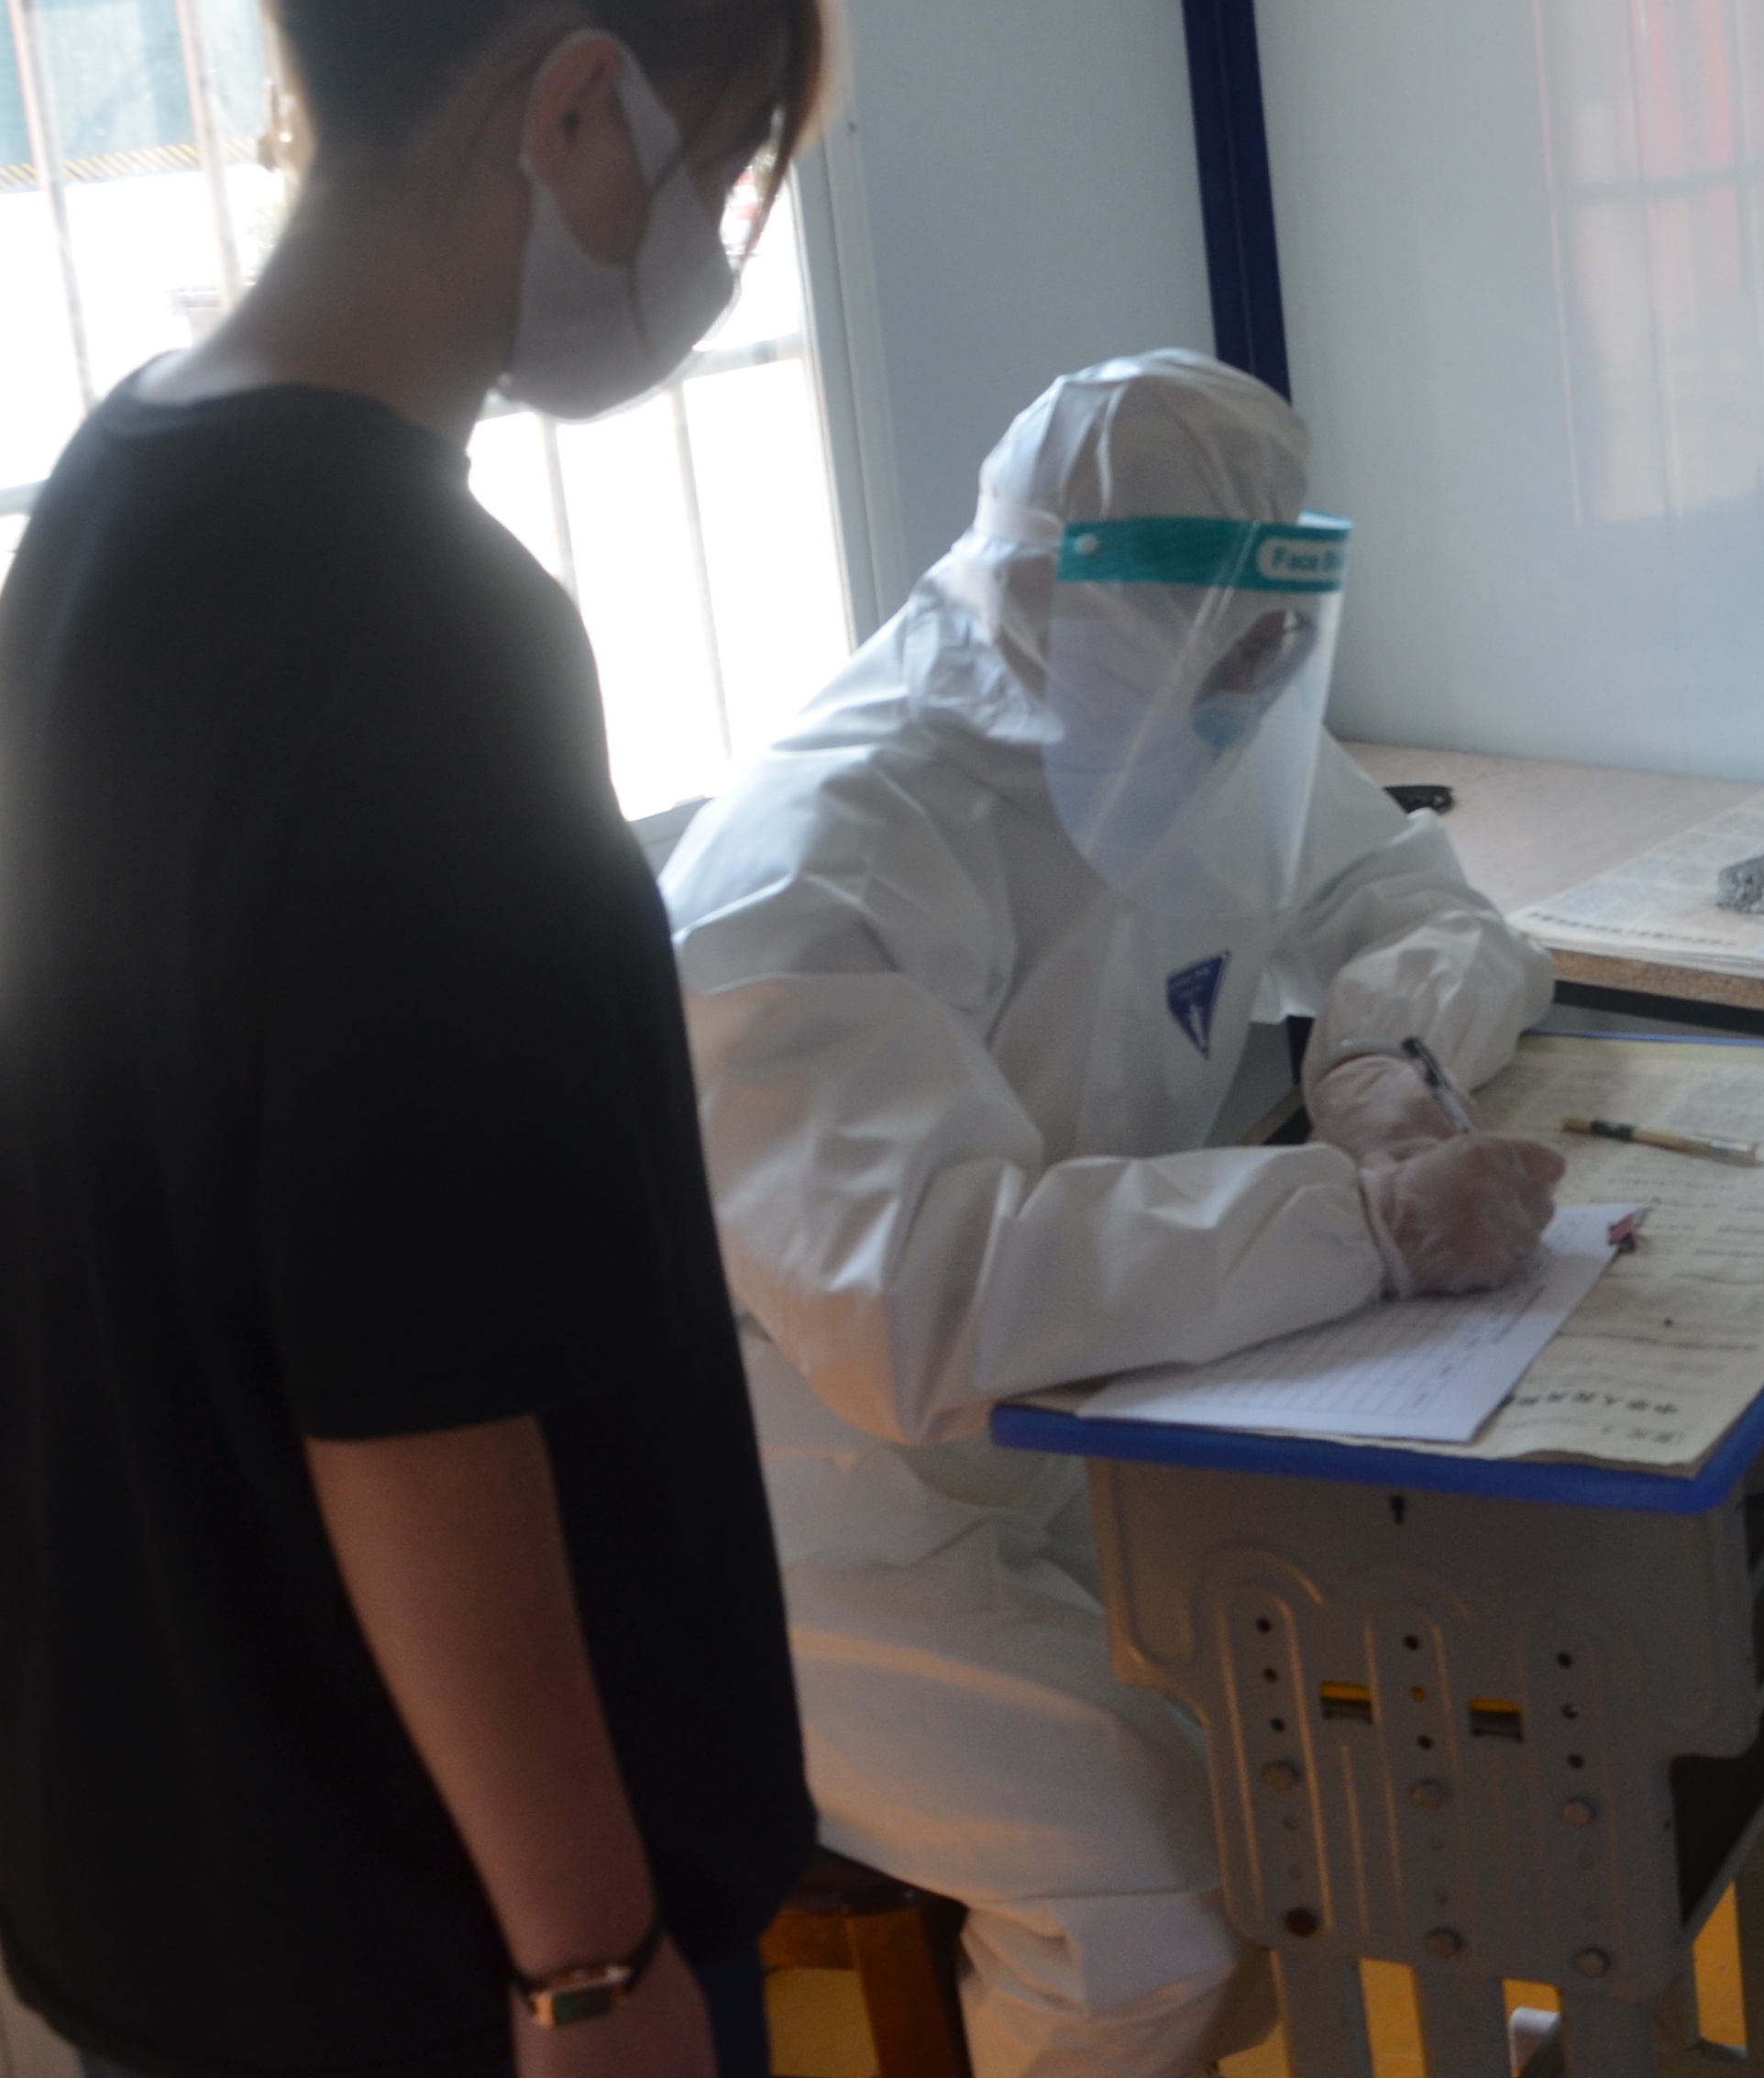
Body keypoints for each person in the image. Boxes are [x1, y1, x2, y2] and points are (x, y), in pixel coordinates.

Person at [0, 0, 821, 2078]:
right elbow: (416, 1405)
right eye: (720, 170)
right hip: (433, 1942)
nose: (708, 254)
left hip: (185, 1872)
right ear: (574, 113)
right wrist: (590, 1959)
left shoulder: (120, 497)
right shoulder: (417, 633)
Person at [662, 351, 1565, 2078]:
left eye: (1279, 636)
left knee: (1374, 1724)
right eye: (1228, 642)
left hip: (1064, 1436)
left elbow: (1412, 897)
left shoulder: (1185, 708)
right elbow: (923, 1303)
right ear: (1073, 603)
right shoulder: (819, 861)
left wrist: (1384, 1053)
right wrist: (1357, 1223)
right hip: (791, 1524)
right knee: (1167, 1908)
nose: (1262, 680)